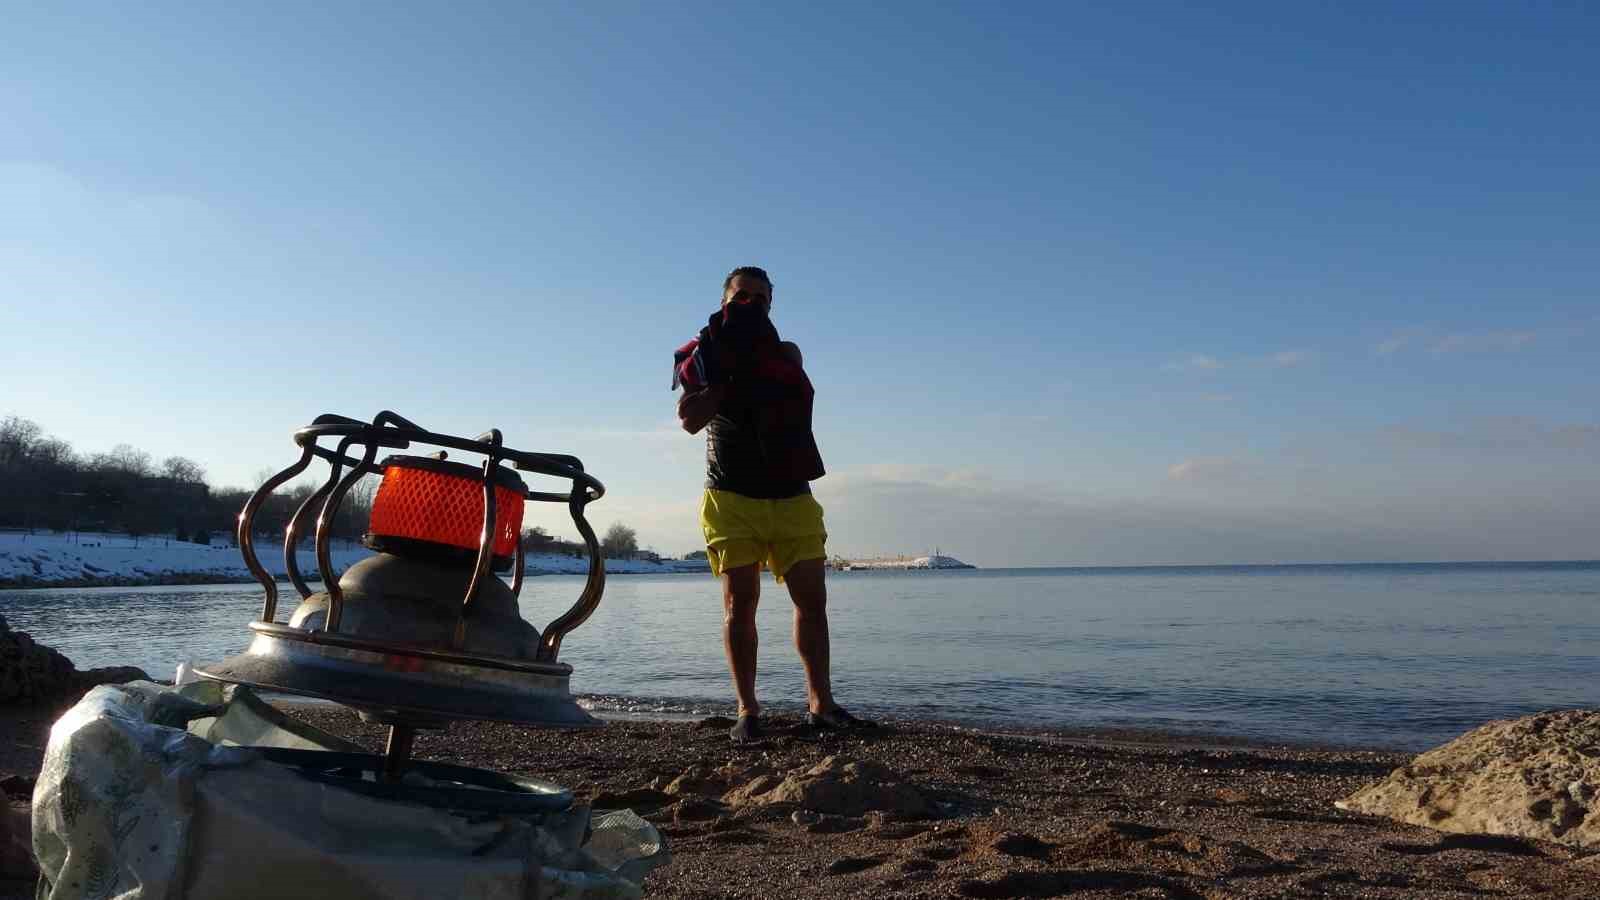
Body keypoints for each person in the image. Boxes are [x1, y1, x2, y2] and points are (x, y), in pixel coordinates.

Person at [674, 265, 873, 743]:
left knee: (813, 602)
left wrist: (751, 360)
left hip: (791, 494)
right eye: (742, 296)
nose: (751, 304)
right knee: (740, 605)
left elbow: (794, 405)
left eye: (761, 299)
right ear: (724, 301)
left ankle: (821, 704)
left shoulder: (786, 353)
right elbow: (691, 421)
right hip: (730, 495)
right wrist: (724, 375)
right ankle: (747, 710)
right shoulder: (704, 354)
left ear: (770, 306)